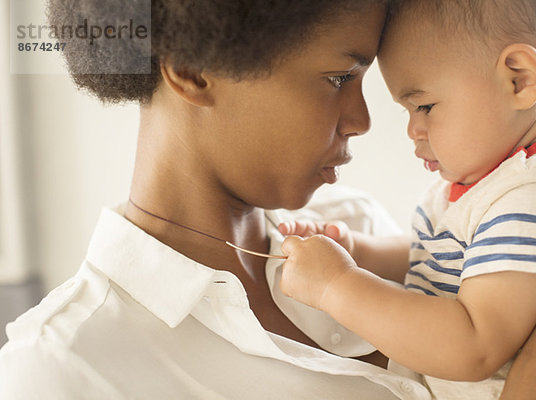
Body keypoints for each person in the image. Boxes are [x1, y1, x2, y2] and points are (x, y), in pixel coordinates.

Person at [0, 0, 431, 398]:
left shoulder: (356, 228)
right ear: (193, 70)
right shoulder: (63, 364)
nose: (362, 120)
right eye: (339, 78)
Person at [278, 0, 536, 398]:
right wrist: (360, 252)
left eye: (425, 106)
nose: (413, 129)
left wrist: (337, 286)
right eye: (408, 111)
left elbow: (474, 344)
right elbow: (439, 257)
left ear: (519, 80)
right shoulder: (492, 180)